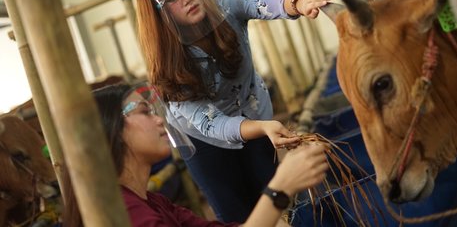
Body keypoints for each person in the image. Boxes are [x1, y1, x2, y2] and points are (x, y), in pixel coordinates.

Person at [134, 0, 333, 222]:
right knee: (235, 214)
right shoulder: (167, 65)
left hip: (253, 112)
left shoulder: (225, 8)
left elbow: (257, 0)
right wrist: (263, 128)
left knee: (278, 198)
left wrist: (297, 2)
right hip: (204, 142)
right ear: (157, 12)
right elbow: (211, 123)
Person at [61, 83, 329, 227]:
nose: (158, 121)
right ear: (111, 130)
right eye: (144, 112)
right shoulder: (122, 213)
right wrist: (279, 190)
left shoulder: (153, 202)